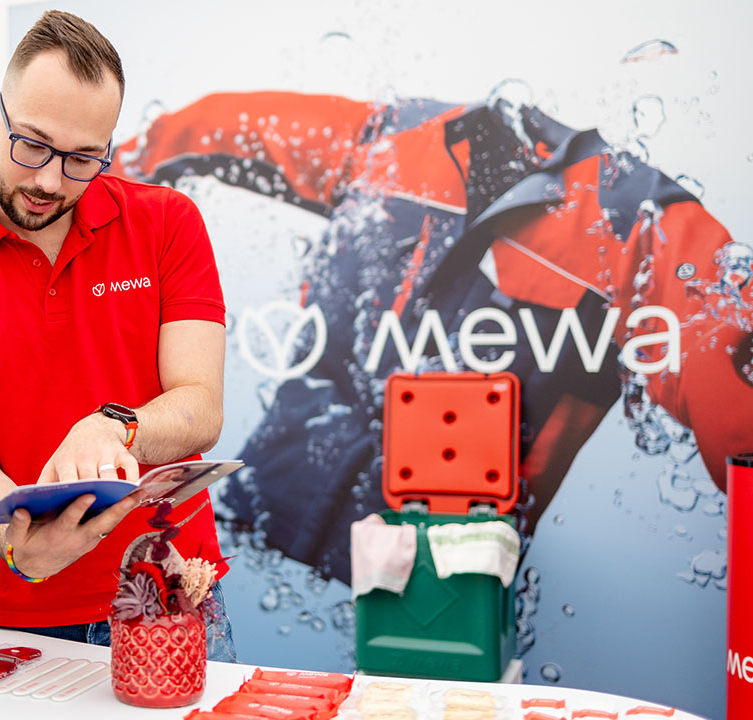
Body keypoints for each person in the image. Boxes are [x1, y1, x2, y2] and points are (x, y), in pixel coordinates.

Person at [108, 89, 753, 584]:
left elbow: (734, 395)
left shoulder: (639, 224)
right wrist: (95, 198)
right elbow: (209, 129)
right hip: (258, 526)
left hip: (441, 583)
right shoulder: (390, 140)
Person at [0, 10, 235, 658]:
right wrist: (16, 543)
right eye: (33, 145)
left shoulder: (167, 223)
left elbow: (200, 407)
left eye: (82, 159)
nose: (50, 180)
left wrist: (113, 427)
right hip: (20, 612)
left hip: (168, 596)